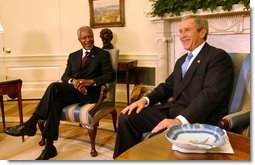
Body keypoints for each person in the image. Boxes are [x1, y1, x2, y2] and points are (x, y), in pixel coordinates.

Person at [113, 15, 234, 159]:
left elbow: (210, 96)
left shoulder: (218, 57)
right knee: (127, 117)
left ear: (202, 32)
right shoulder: (182, 60)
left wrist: (179, 121)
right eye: (180, 31)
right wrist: (145, 100)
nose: (182, 36)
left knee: (157, 136)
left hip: (196, 119)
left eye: (187, 30)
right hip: (172, 110)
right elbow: (167, 86)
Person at [4, 26, 116, 160]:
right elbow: (65, 76)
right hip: (73, 91)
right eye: (84, 37)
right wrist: (73, 81)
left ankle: (31, 124)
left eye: (90, 36)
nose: (88, 40)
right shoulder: (73, 56)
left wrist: (90, 81)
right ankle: (49, 147)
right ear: (79, 39)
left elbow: (110, 76)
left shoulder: (102, 54)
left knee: (54, 87)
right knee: (54, 104)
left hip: (90, 93)